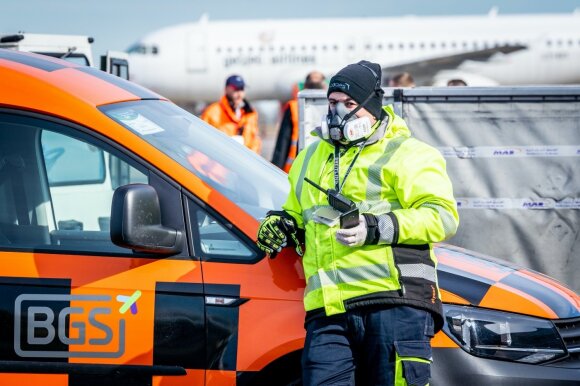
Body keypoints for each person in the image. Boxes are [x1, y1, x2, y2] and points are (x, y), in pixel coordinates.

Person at [256, 60, 459, 385]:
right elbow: (298, 212)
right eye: (333, 103)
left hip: (394, 302)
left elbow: (442, 216)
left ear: (373, 106)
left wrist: (376, 227)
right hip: (330, 311)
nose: (339, 113)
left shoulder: (409, 154)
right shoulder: (310, 157)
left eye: (349, 105)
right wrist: (283, 224)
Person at [272, 71, 327, 172]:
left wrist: (275, 170)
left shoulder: (293, 107)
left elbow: (282, 144)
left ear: (305, 86)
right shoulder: (331, 107)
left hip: (294, 169)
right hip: (321, 168)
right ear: (324, 86)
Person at [201, 74, 262, 153]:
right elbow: (203, 140)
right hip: (221, 161)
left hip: (244, 161)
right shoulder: (212, 112)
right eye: (236, 89)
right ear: (226, 89)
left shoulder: (250, 114)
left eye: (242, 89)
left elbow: (254, 141)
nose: (239, 93)